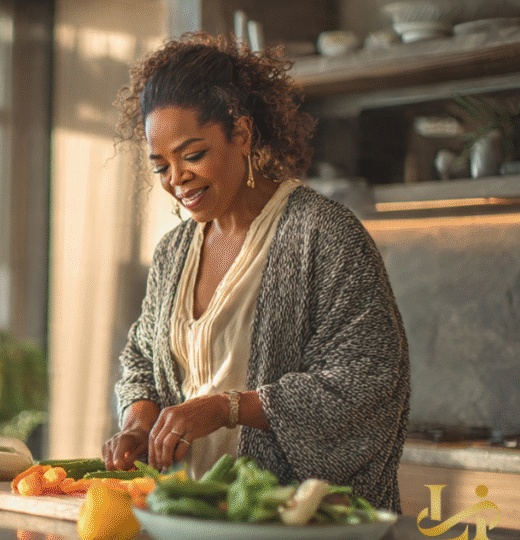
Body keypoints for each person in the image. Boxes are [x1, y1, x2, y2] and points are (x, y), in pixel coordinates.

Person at [102, 32, 410, 513]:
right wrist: (139, 422)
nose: (176, 178)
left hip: (288, 525)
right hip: (189, 518)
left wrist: (227, 407)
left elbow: (365, 382)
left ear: (241, 134)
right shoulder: (173, 253)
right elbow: (143, 358)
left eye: (193, 154)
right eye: (160, 165)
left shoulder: (322, 235)